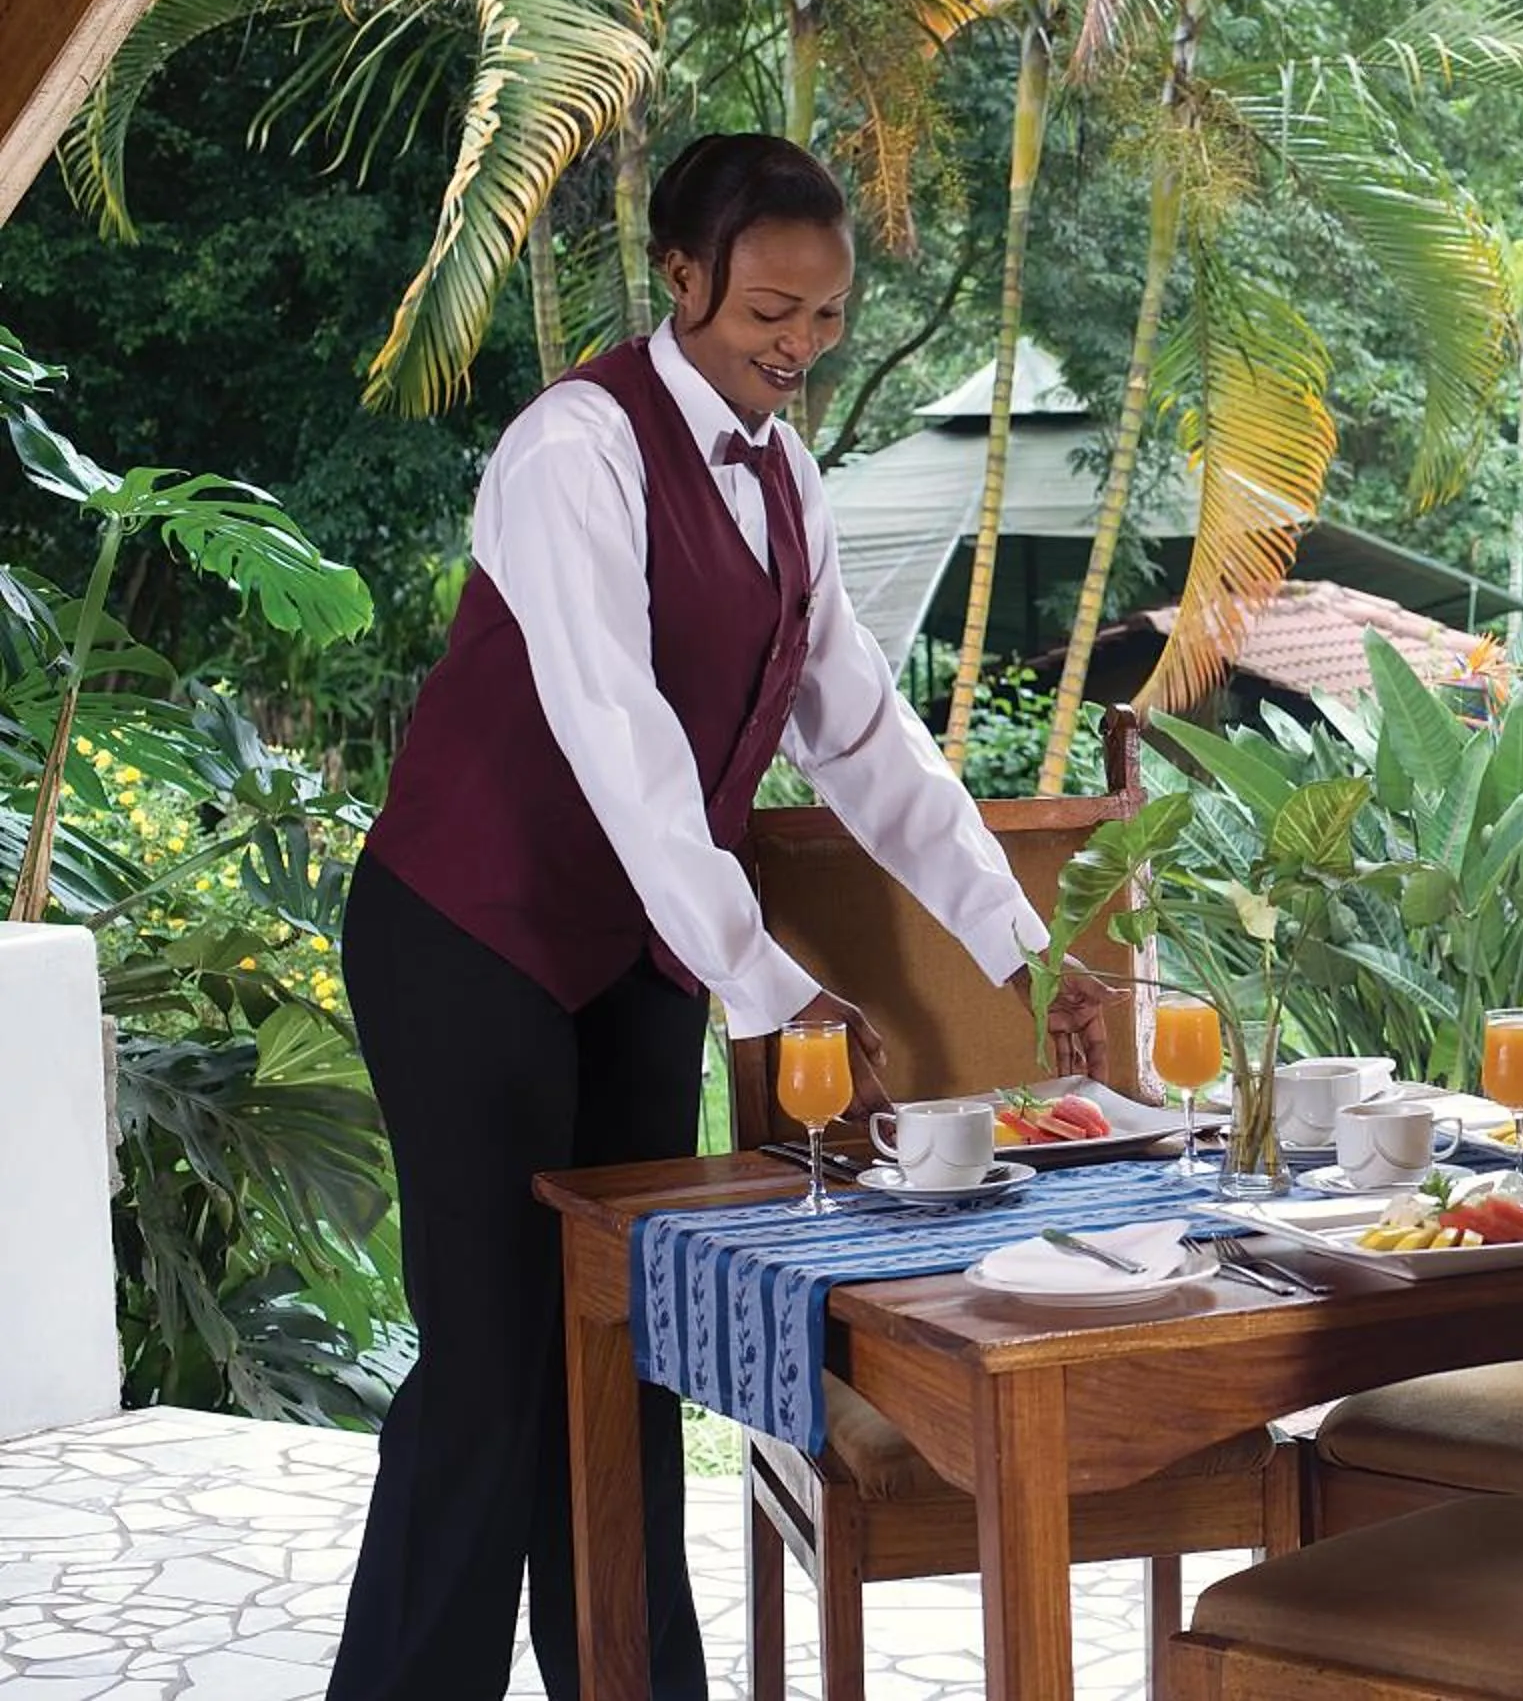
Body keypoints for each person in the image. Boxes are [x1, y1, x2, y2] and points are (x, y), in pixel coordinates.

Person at [327, 133, 1114, 1701]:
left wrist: (1028, 941)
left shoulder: (788, 480)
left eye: (824, 318)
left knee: (617, 1351)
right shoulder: (576, 450)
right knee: (491, 1367)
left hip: (632, 955)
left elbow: (866, 740)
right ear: (680, 277)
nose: (799, 349)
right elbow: (616, 737)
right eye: (770, 309)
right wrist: (764, 980)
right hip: (467, 930)